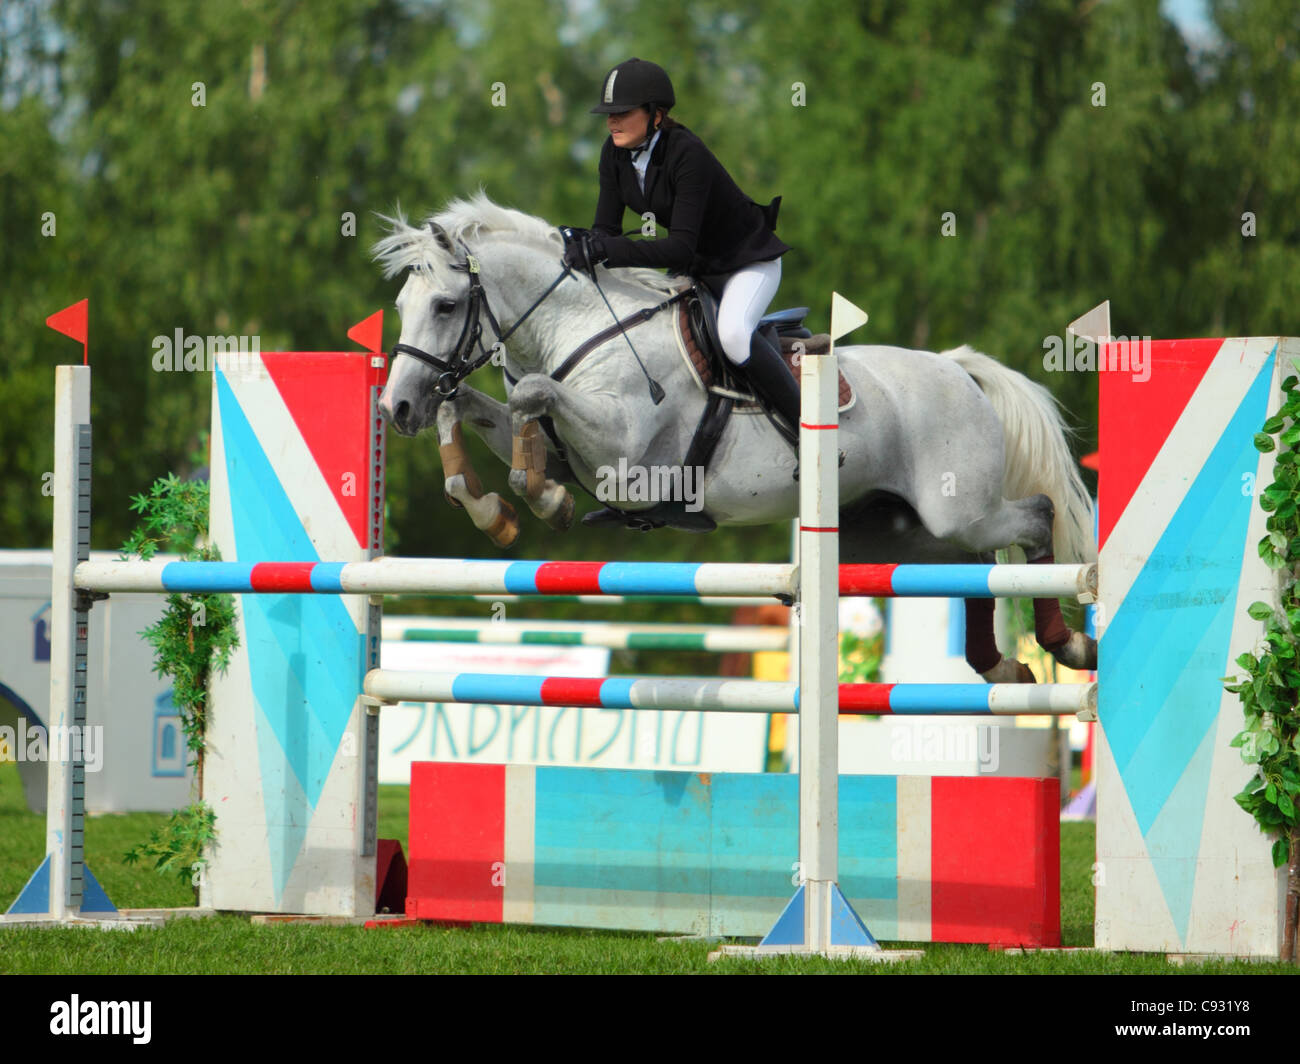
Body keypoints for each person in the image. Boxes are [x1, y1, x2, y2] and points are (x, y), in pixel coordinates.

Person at [563, 57, 801, 439]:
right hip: (697, 269)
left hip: (746, 264)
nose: (612, 122)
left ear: (656, 115)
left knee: (733, 336)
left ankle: (809, 431)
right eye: (609, 114)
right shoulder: (614, 153)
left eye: (623, 113)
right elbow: (606, 230)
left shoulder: (686, 153)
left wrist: (605, 250)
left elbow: (677, 249)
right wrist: (583, 243)